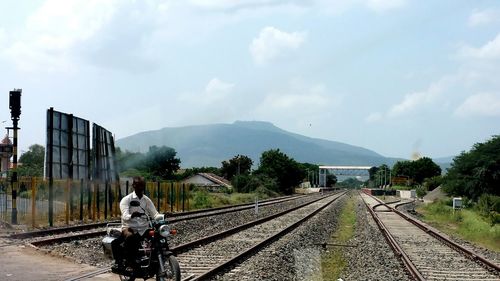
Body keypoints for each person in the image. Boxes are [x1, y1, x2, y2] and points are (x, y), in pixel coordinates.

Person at [112, 177, 164, 271]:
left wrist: (162, 216)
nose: (141, 187)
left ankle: (155, 258)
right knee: (130, 237)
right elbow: (125, 215)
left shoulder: (146, 200)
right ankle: (130, 262)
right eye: (138, 185)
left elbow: (154, 214)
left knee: (158, 236)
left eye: (142, 185)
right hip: (129, 227)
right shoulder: (126, 200)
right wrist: (132, 215)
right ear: (133, 186)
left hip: (143, 228)